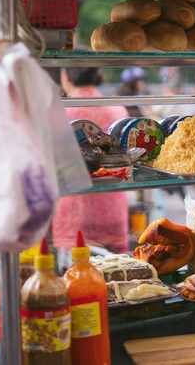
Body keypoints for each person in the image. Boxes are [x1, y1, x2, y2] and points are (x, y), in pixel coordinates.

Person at [52, 66, 130, 259]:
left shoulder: (62, 110)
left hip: (75, 216)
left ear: (68, 76)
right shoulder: (116, 108)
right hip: (113, 211)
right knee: (116, 280)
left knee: (79, 282)